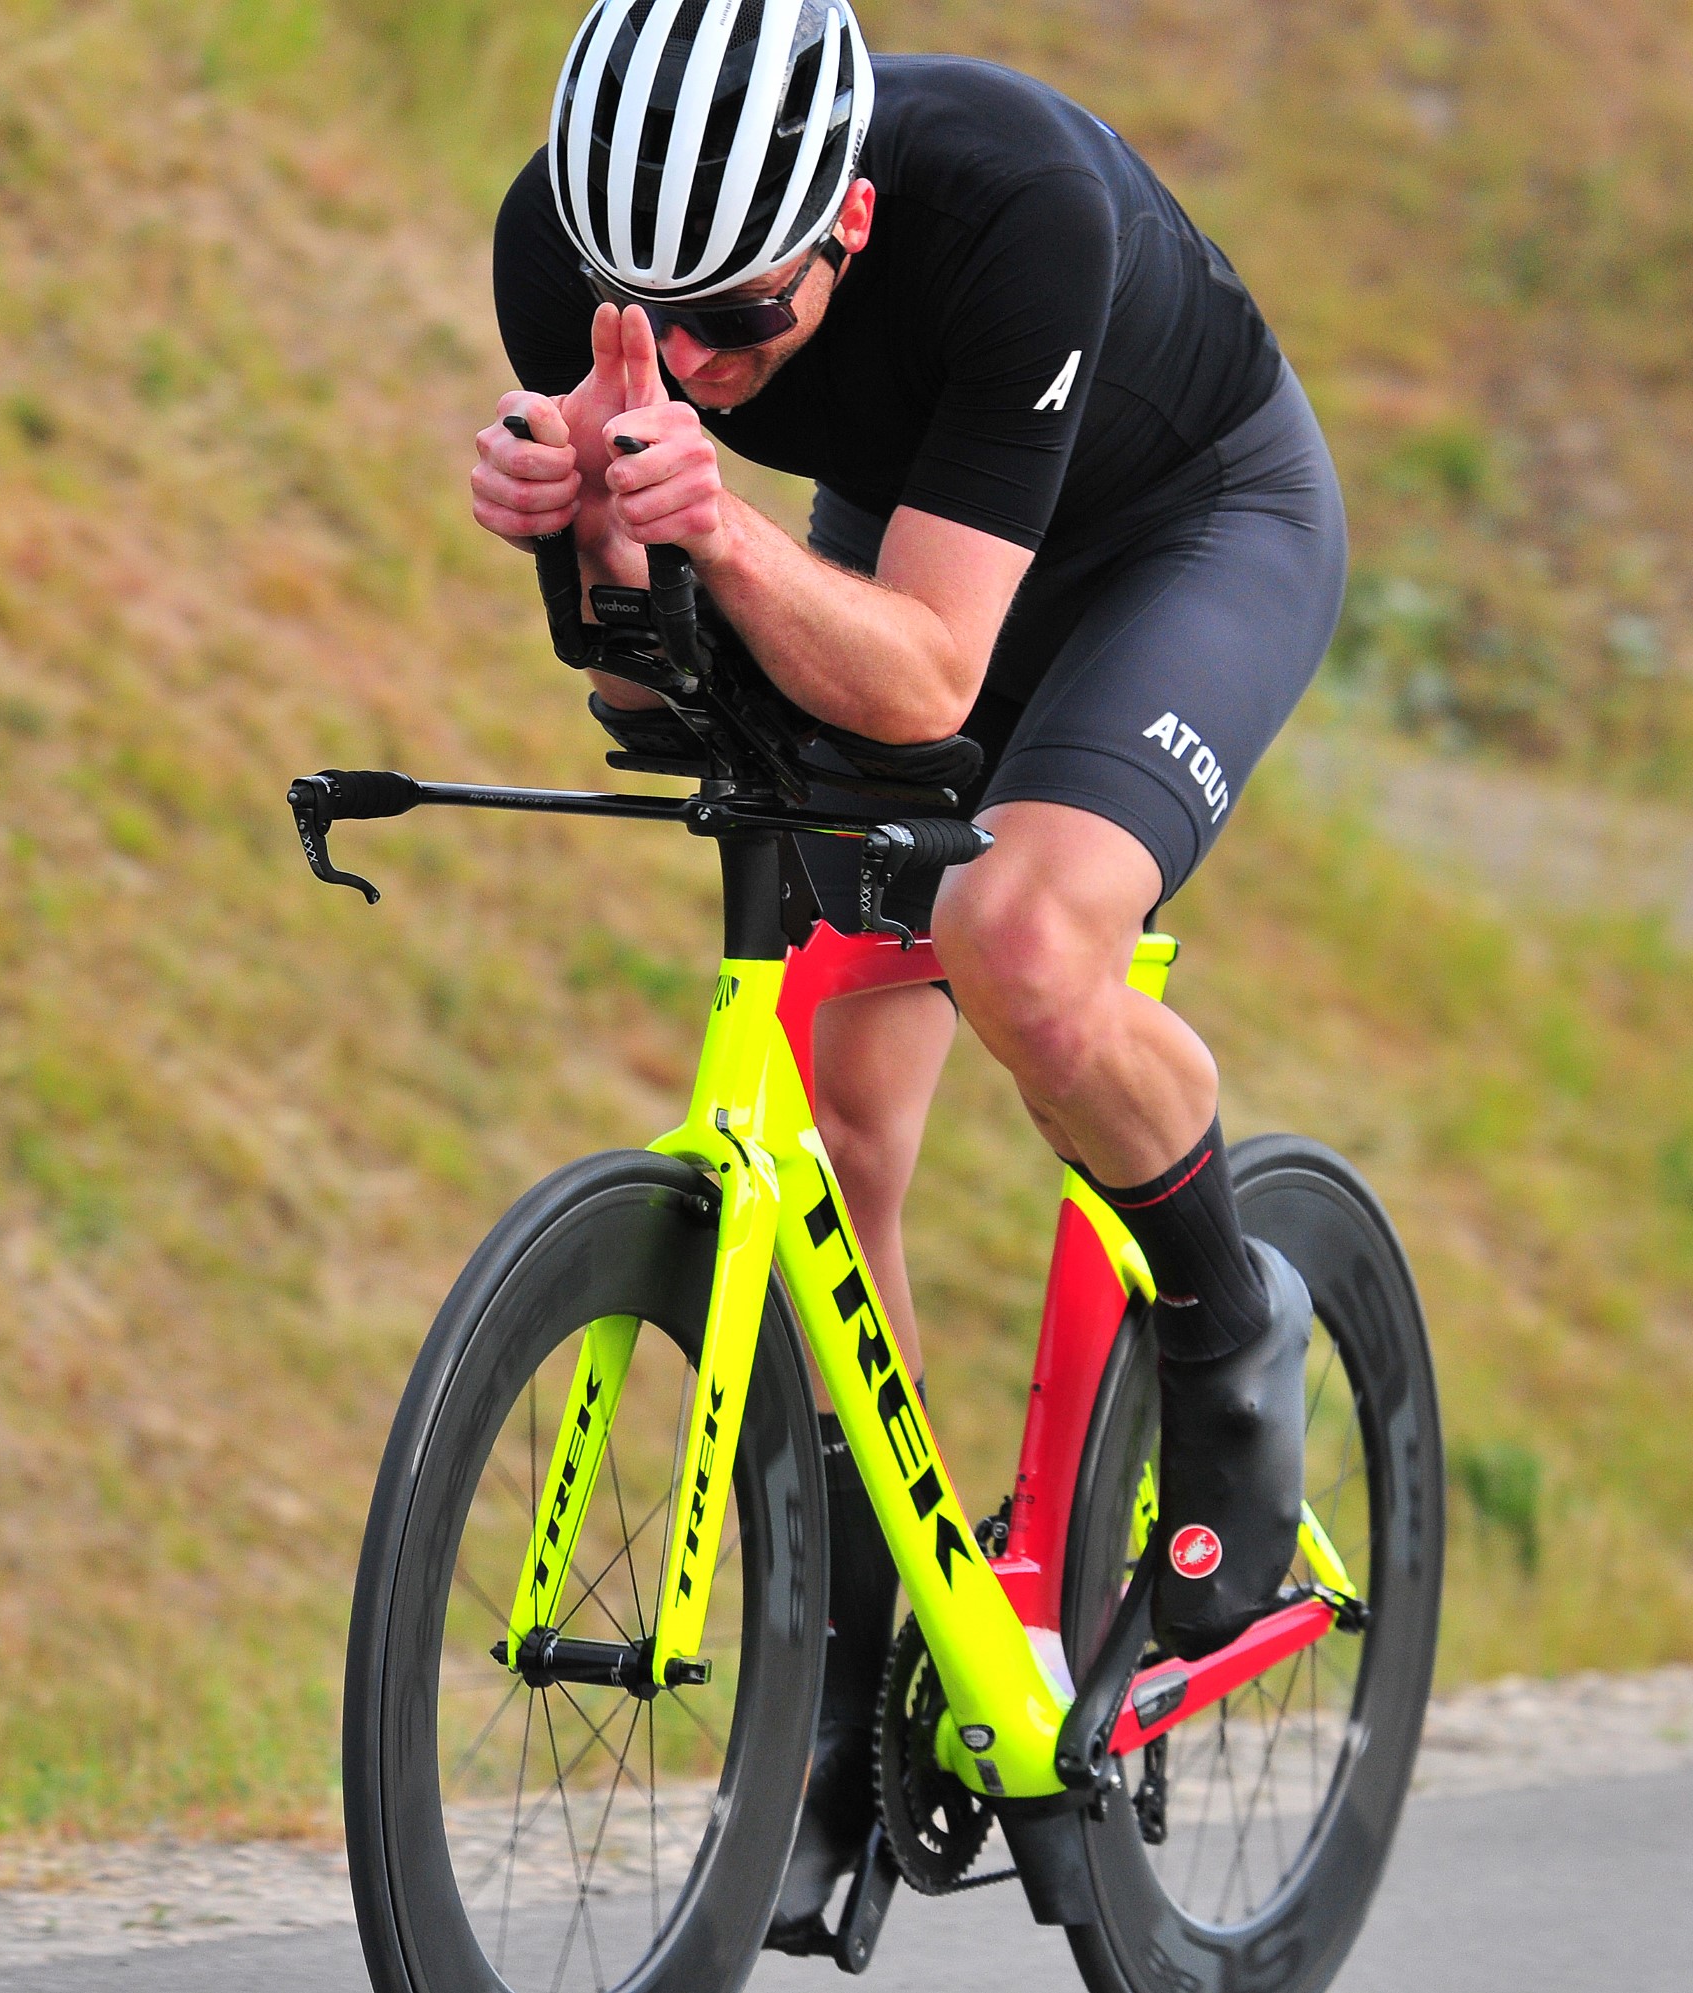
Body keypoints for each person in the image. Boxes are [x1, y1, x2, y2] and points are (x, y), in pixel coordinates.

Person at [468, 0, 1344, 1954]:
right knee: (836, 1123)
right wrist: (585, 533)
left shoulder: (1013, 206)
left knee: (1018, 940)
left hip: (1181, 535)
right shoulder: (565, 250)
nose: (689, 363)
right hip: (922, 524)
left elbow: (936, 678)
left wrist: (710, 520)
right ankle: (859, 1703)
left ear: (845, 222)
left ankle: (1228, 1325)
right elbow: (648, 688)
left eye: (731, 324)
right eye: (647, 322)